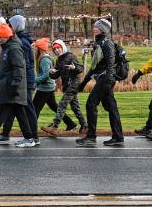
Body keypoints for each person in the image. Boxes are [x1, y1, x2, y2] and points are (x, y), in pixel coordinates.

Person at [0, 23, 36, 148]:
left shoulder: (13, 48)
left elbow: (19, 69)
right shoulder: (7, 48)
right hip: (8, 87)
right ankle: (29, 138)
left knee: (2, 112)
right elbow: (2, 71)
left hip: (12, 87)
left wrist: (14, 86)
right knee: (19, 112)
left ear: (7, 36)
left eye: (1, 37)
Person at [76, 18, 124, 147]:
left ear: (102, 29)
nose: (94, 28)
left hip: (106, 79)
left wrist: (109, 79)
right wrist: (83, 83)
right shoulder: (98, 43)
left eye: (96, 27)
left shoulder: (106, 43)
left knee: (91, 104)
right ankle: (118, 137)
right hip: (105, 79)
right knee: (112, 108)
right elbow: (94, 67)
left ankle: (91, 136)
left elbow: (110, 63)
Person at [0, 15, 39, 144]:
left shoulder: (22, 42)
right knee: (13, 106)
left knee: (27, 108)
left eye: (10, 24)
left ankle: (33, 136)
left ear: (16, 26)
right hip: (22, 79)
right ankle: (6, 132)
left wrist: (17, 80)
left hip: (25, 80)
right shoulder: (20, 39)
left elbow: (23, 64)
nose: (8, 26)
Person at [40, 39, 87, 135]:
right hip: (67, 86)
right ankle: (85, 126)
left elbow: (81, 68)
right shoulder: (59, 60)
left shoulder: (71, 56)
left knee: (62, 104)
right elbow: (55, 76)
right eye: (54, 49)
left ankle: (54, 127)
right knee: (75, 107)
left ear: (62, 47)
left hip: (73, 85)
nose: (56, 50)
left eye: (58, 48)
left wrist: (74, 68)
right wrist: (51, 72)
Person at [32, 38, 77, 131]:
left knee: (34, 108)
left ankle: (31, 128)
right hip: (49, 87)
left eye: (36, 48)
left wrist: (34, 81)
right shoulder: (46, 57)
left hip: (45, 88)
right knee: (54, 107)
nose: (35, 49)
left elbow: (46, 75)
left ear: (40, 49)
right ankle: (70, 123)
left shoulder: (44, 60)